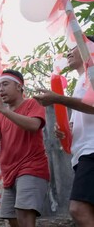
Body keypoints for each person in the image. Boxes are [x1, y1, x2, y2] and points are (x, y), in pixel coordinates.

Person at [0, 69, 50, 227]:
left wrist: (3, 109)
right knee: (11, 218)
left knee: (24, 215)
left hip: (31, 167)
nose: (0, 89)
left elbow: (34, 125)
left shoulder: (32, 103)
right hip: (9, 172)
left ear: (19, 86)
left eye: (5, 84)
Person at [33, 35, 94, 226]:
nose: (68, 51)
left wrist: (58, 98)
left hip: (92, 151)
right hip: (82, 151)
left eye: (75, 47)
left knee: (79, 209)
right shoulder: (82, 80)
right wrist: (68, 131)